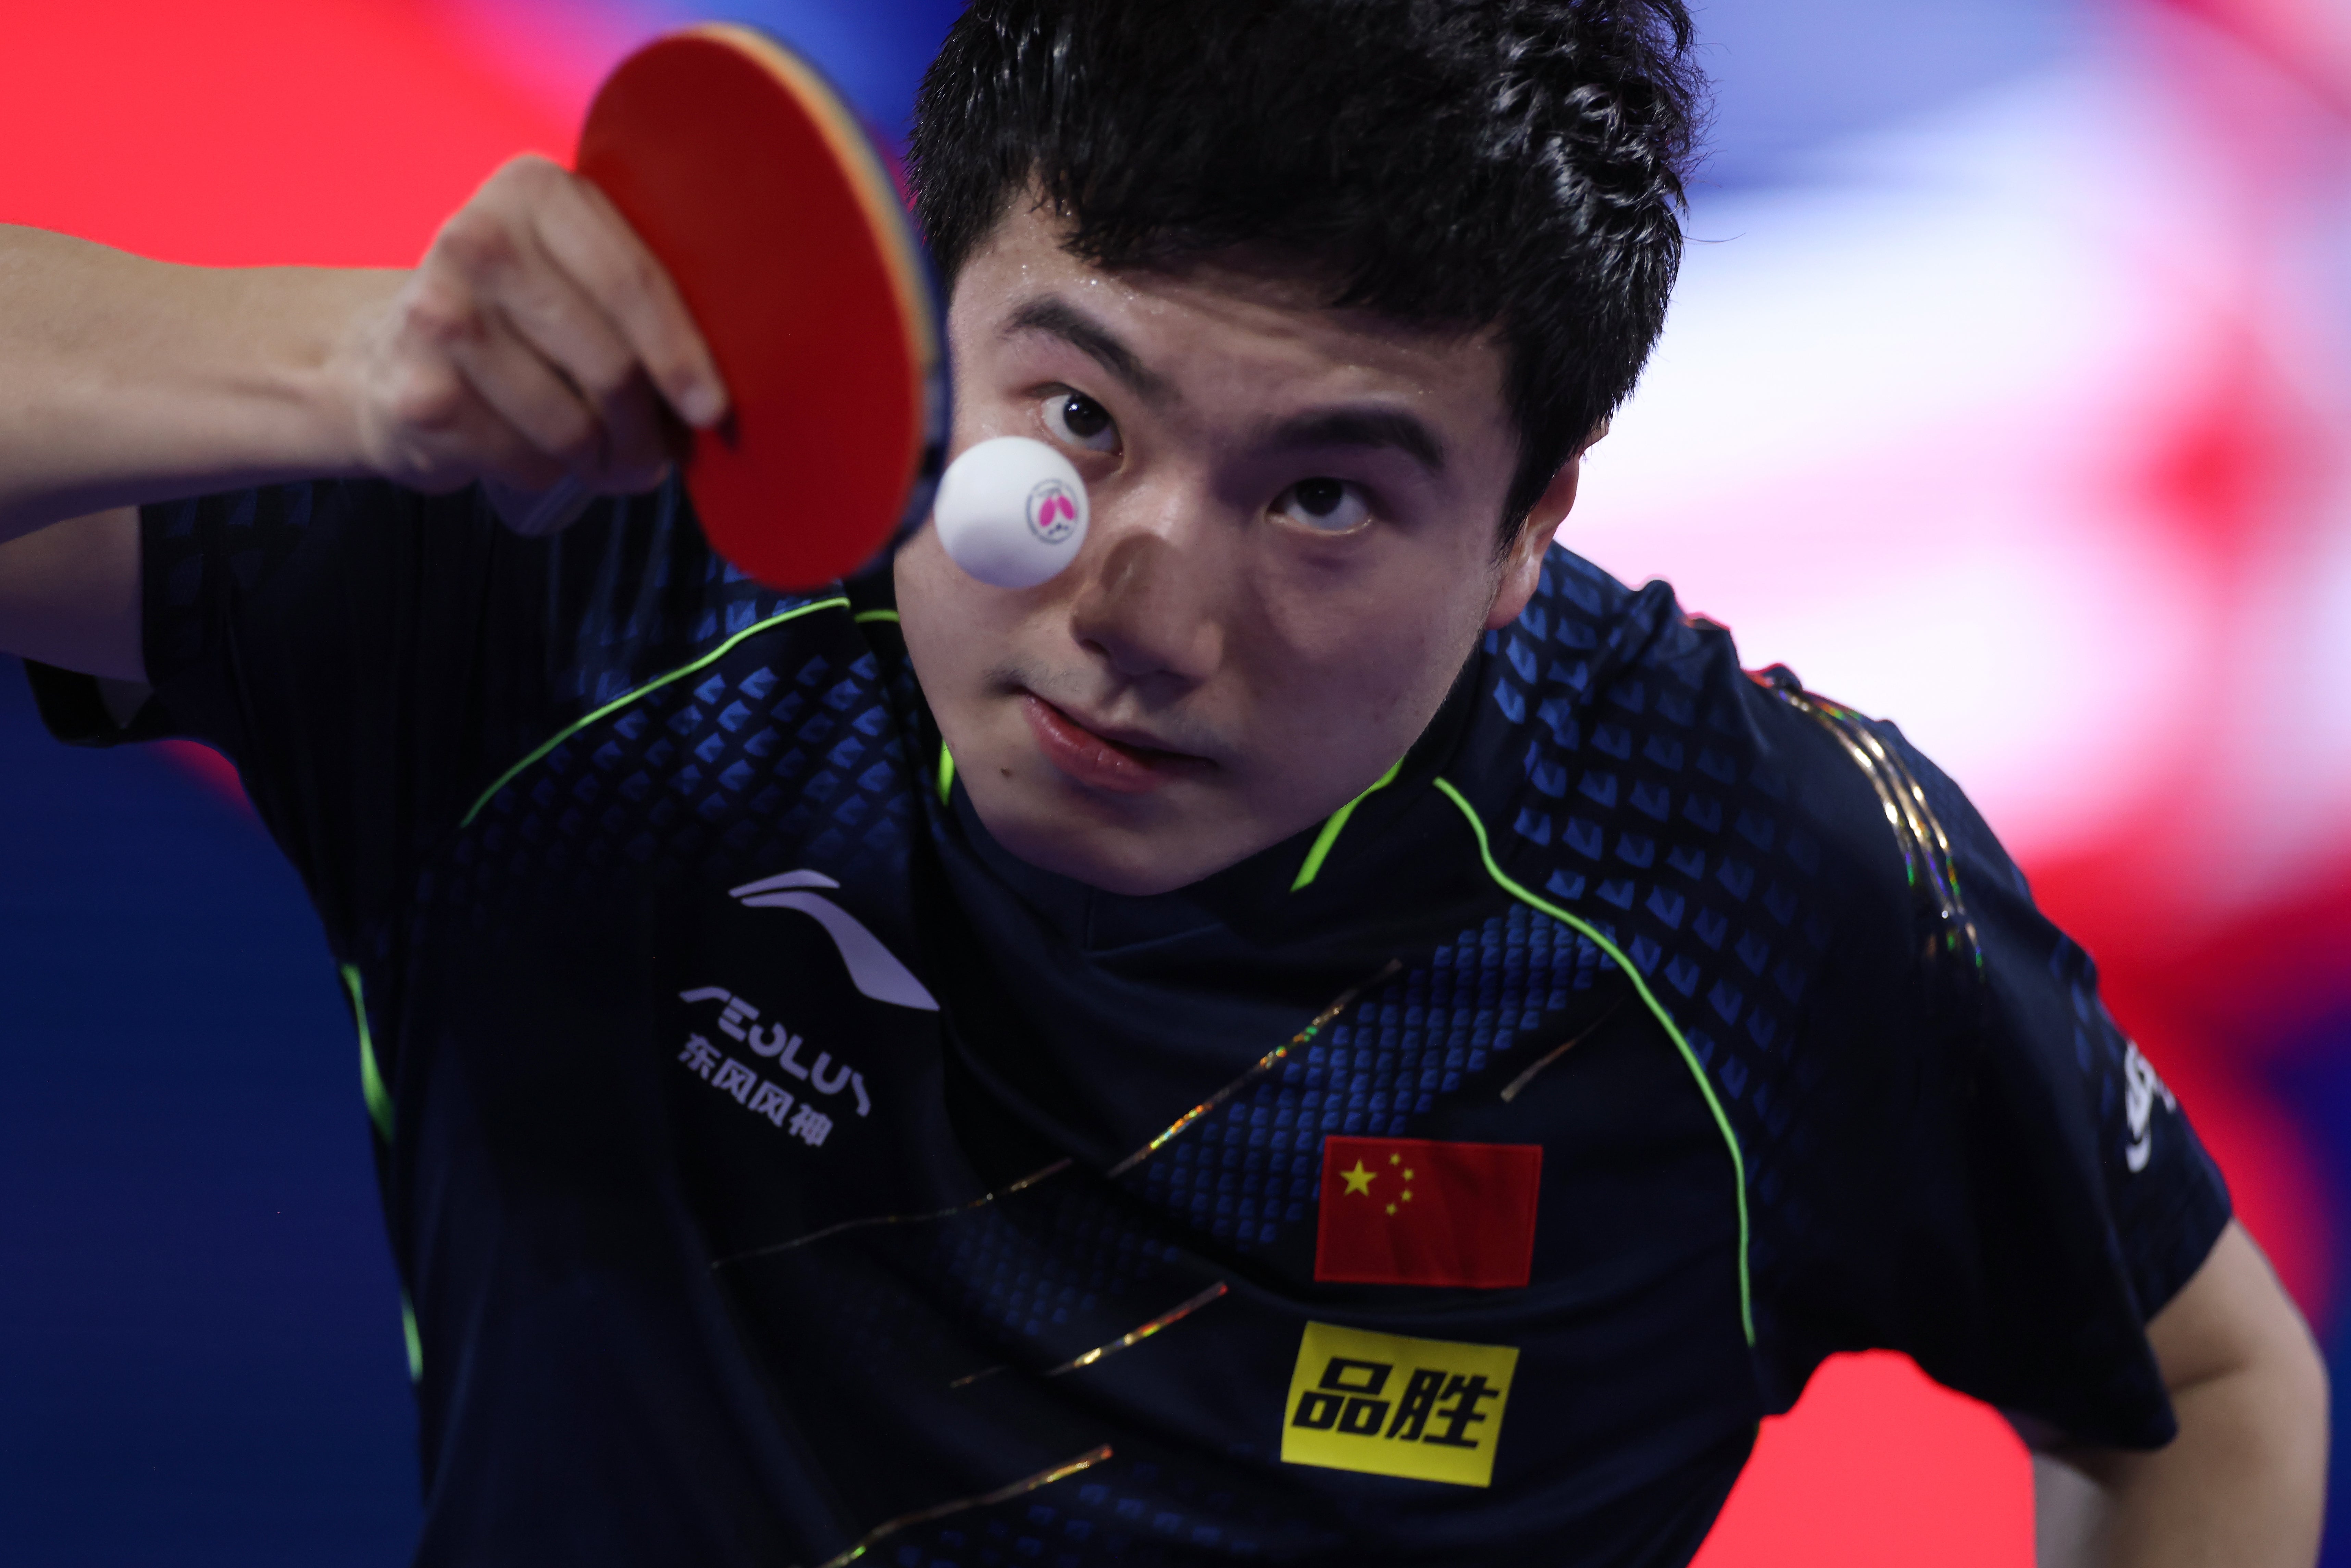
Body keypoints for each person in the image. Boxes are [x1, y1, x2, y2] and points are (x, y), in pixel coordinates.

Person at [0, 0, 2327, 1562]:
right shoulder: (588, 604)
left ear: (1533, 528)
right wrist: (341, 367)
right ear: (931, 299)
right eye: (1079, 416)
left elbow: (2209, 1371)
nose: (1146, 605)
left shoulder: (1747, 889)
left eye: (1326, 497)